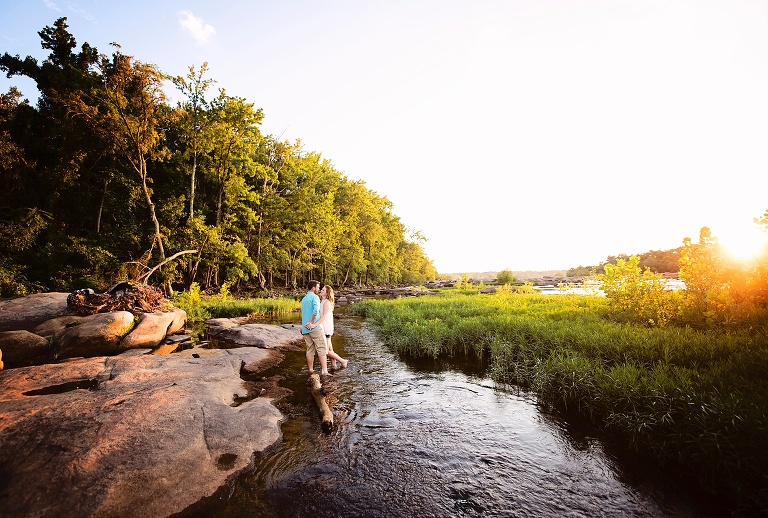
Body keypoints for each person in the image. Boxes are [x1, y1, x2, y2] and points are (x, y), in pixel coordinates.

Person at [301, 280, 329, 376]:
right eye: (318, 287)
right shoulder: (315, 297)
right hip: (314, 328)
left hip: (305, 329)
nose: (318, 289)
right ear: (313, 288)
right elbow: (315, 311)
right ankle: (324, 371)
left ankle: (311, 370)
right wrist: (312, 323)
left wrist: (307, 323)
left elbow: (304, 312)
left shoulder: (304, 298)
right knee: (321, 348)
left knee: (310, 350)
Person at [318, 284, 348, 370]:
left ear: (327, 293)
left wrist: (315, 324)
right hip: (324, 326)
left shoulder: (327, 302)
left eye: (323, 290)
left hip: (326, 328)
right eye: (322, 289)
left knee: (325, 351)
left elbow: (323, 316)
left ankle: (342, 361)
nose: (321, 291)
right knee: (330, 348)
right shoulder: (323, 301)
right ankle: (334, 365)